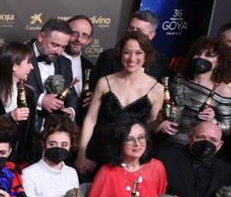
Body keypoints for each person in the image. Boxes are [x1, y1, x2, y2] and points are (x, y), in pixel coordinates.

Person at [78, 30, 166, 174]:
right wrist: (81, 154)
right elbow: (90, 119)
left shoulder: (157, 89)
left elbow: (148, 128)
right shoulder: (105, 82)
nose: (132, 58)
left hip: (131, 158)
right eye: (127, 52)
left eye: (138, 53)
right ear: (120, 54)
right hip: (97, 153)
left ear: (146, 55)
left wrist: (158, 123)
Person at [163, 37, 231, 148]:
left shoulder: (224, 91)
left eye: (208, 55)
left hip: (194, 147)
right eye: (198, 54)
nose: (201, 58)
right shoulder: (180, 78)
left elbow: (227, 128)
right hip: (165, 140)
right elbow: (164, 106)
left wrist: (212, 121)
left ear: (219, 62)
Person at [25, 19, 80, 129]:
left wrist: (71, 110)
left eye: (63, 47)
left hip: (54, 131)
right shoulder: (19, 54)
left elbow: (71, 92)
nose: (59, 52)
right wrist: (41, 100)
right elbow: (8, 87)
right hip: (25, 129)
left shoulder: (65, 63)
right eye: (55, 45)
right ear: (41, 36)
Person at [0, 42, 37, 165]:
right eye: (28, 62)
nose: (32, 67)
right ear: (14, 65)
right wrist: (10, 117)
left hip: (18, 164)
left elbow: (29, 134)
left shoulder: (29, 94)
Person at [93, 10, 168, 81]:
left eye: (139, 31)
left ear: (152, 35)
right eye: (131, 28)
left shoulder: (161, 61)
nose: (133, 33)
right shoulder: (108, 57)